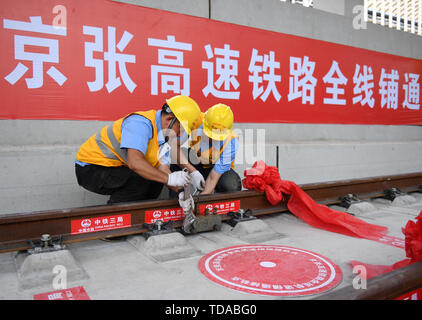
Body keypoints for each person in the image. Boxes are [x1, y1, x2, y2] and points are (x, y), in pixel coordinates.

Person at [75, 95, 203, 204]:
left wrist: (181, 192)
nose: (180, 135)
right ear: (169, 119)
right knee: (138, 180)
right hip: (91, 167)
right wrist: (169, 179)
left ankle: (139, 216)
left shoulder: (164, 136)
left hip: (115, 167)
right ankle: (117, 218)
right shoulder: (140, 123)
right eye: (179, 130)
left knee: (156, 180)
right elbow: (135, 163)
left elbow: (162, 167)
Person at [174, 103, 242, 199]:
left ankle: (218, 207)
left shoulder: (231, 141)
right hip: (196, 161)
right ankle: (178, 196)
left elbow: (213, 177)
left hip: (216, 169)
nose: (212, 138)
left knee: (231, 184)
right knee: (176, 158)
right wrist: (193, 171)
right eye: (209, 134)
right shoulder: (195, 121)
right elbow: (174, 146)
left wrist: (200, 200)